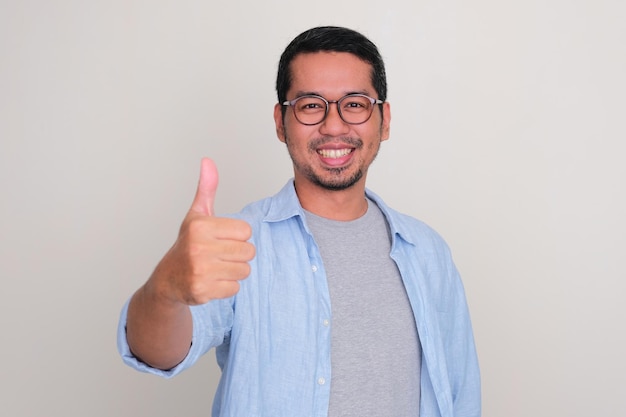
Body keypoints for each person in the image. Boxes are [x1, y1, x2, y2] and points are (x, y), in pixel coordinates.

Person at [118, 26, 481, 417]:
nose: (334, 125)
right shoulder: (236, 243)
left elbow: (461, 394)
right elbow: (155, 353)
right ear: (280, 122)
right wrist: (165, 290)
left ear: (384, 119)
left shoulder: (428, 252)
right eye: (310, 105)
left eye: (355, 104)